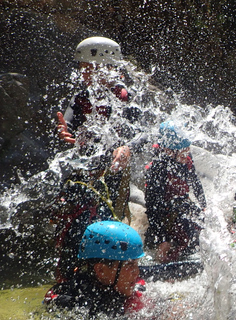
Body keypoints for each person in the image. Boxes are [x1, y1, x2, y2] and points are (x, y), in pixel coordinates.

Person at [53, 36, 143, 283]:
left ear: (110, 68)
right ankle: (68, 278)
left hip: (113, 171)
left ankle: (116, 277)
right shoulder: (81, 96)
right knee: (76, 221)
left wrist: (126, 146)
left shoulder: (123, 95)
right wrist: (64, 133)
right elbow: (68, 124)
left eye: (92, 68)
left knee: (108, 219)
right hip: (84, 170)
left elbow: (139, 132)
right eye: (83, 68)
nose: (86, 74)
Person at [44, 221, 147, 317]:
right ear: (101, 270)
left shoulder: (131, 287)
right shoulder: (71, 303)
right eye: (129, 265)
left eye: (136, 264)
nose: (136, 272)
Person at [144, 121, 207, 263]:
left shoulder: (186, 156)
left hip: (182, 203)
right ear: (168, 151)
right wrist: (162, 239)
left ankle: (194, 248)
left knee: (202, 221)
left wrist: (204, 206)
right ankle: (176, 252)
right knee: (184, 226)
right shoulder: (157, 169)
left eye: (187, 151)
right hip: (164, 212)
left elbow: (195, 183)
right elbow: (153, 207)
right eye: (183, 154)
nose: (186, 156)